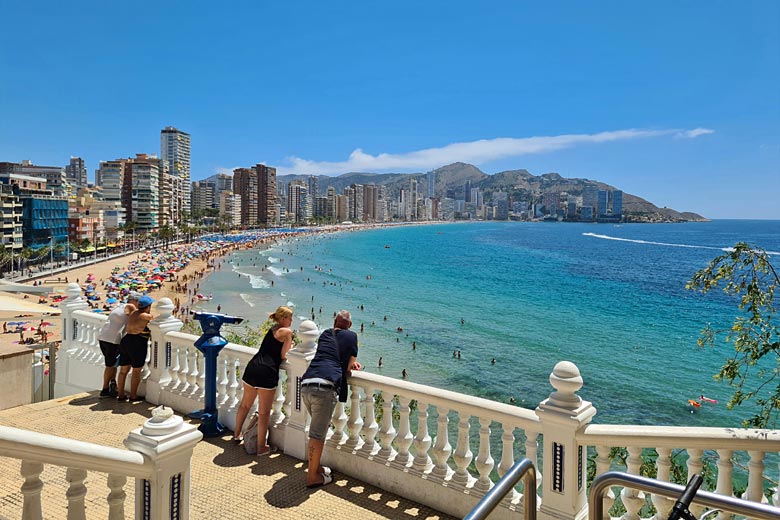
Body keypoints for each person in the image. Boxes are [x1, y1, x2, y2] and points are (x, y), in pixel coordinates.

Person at [301, 310, 361, 488]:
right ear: (349, 325)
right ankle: (312, 477)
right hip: (325, 388)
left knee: (316, 429)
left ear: (335, 321)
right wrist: (353, 365)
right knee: (317, 435)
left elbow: (328, 355)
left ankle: (316, 467)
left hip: (307, 383)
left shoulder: (326, 333)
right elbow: (349, 364)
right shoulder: (352, 336)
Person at [233, 306, 294, 455]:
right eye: (290, 318)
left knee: (245, 405)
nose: (292, 321)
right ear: (283, 318)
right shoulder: (287, 332)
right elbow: (283, 356)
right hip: (267, 371)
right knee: (264, 412)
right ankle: (261, 447)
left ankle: (236, 434)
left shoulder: (273, 328)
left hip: (253, 367)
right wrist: (291, 345)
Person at [97, 292, 140, 398]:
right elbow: (137, 318)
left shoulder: (119, 306)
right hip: (112, 340)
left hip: (103, 337)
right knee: (110, 365)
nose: (140, 304)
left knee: (113, 363)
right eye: (139, 302)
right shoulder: (130, 307)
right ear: (134, 301)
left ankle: (112, 384)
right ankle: (105, 389)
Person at [116, 295, 155, 402]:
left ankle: (121, 394)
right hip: (137, 343)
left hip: (126, 340)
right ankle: (133, 396)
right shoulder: (146, 316)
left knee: (123, 370)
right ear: (148, 307)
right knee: (136, 371)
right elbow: (155, 321)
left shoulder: (133, 313)